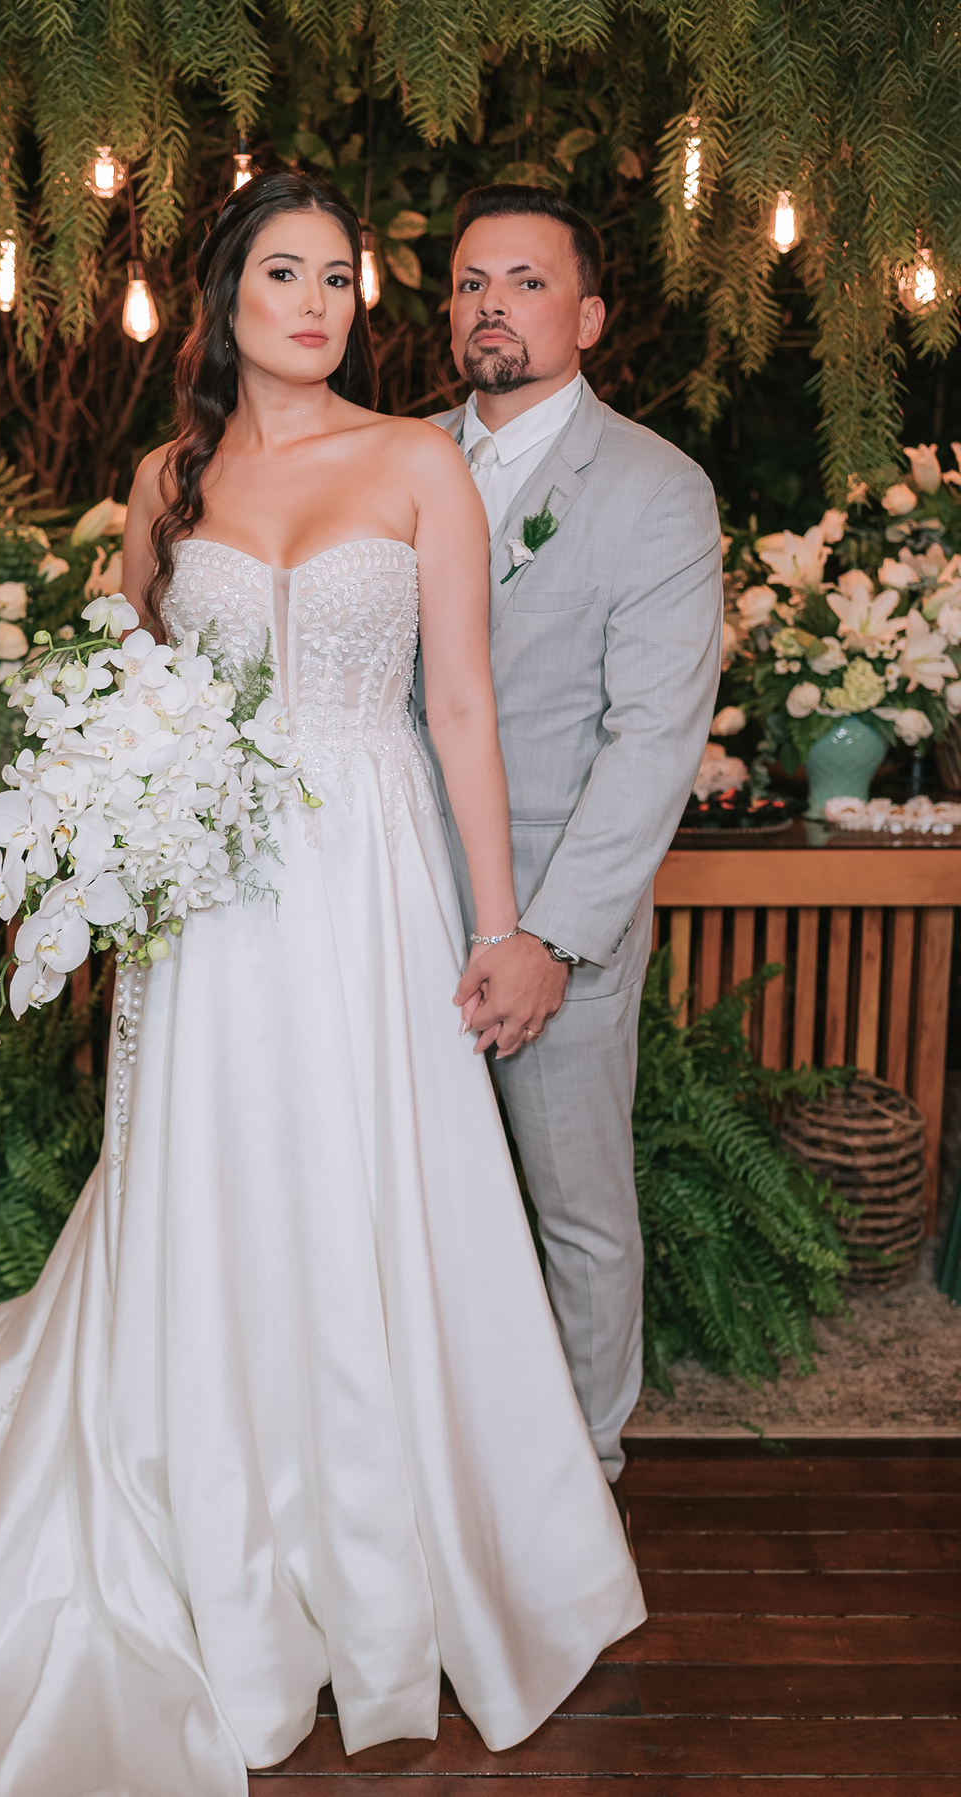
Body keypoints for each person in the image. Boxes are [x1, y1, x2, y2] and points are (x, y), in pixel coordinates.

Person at [0, 171, 643, 1797]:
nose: (317, 304)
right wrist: (111, 827)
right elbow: (124, 692)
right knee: (219, 1181)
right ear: (228, 294)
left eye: (341, 279)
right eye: (284, 273)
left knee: (377, 1184)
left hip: (371, 882)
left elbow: (460, 709)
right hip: (216, 897)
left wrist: (498, 924)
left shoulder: (419, 462)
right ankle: (210, 1539)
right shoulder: (169, 479)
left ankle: (400, 1548)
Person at [426, 185, 723, 1485]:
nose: (492, 306)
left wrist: (548, 938)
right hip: (390, 901)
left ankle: (585, 1475)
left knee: (578, 1213)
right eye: (471, 283)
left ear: (590, 318)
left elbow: (653, 741)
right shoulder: (397, 459)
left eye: (527, 282)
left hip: (555, 921)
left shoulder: (655, 490)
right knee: (411, 1199)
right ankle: (435, 1455)